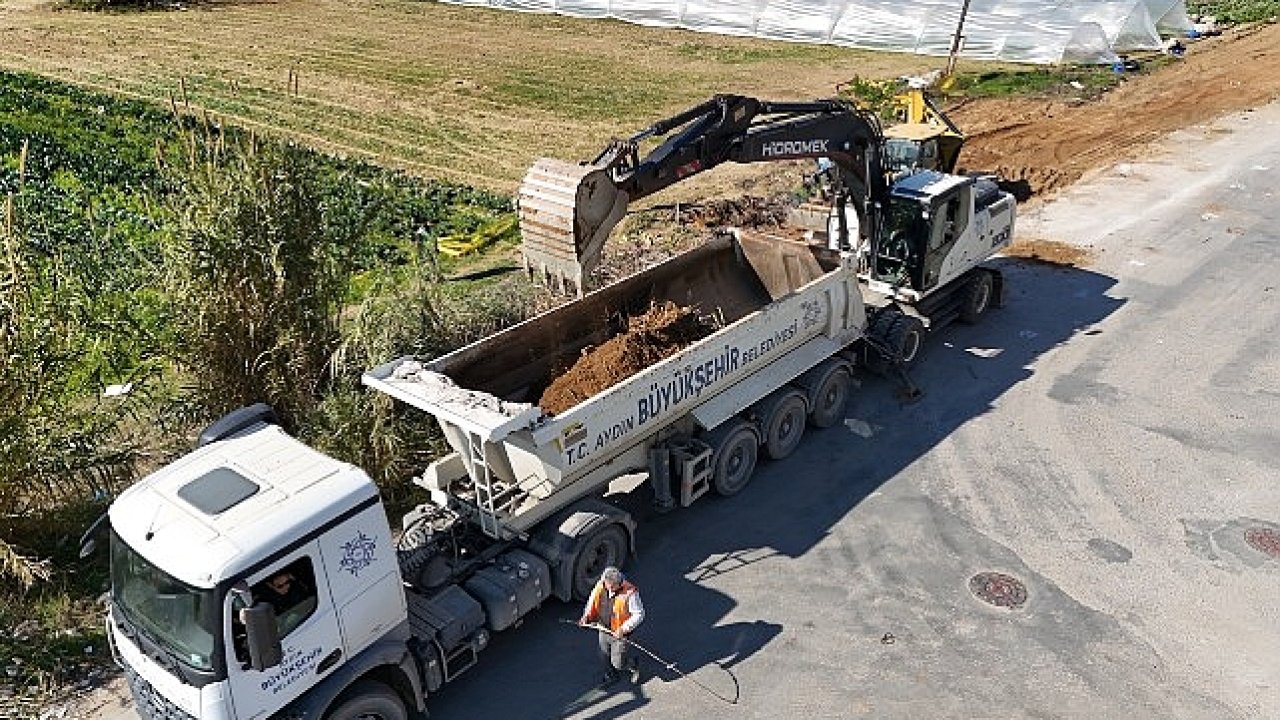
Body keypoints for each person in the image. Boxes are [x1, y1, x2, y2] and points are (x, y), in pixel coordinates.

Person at [579, 566, 644, 685]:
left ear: (619, 583)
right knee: (603, 655)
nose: (610, 590)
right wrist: (586, 616)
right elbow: (592, 601)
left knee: (618, 663)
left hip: (619, 634)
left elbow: (639, 614)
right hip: (603, 628)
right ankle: (611, 675)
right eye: (608, 586)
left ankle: (633, 664)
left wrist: (623, 629)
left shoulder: (630, 593)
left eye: (613, 587)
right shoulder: (601, 585)